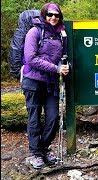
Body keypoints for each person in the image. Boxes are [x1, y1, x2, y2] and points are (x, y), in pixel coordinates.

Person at [21, 3, 69, 169]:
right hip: (32, 82)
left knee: (53, 118)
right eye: (49, 14)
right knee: (34, 118)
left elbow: (63, 56)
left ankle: (43, 149)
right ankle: (36, 154)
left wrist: (65, 66)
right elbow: (31, 58)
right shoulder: (34, 32)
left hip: (51, 83)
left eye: (56, 15)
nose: (53, 17)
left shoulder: (60, 34)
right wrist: (56, 69)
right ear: (44, 15)